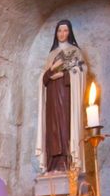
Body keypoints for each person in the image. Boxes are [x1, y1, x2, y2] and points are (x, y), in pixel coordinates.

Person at [35, 19, 86, 173]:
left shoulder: (75, 52)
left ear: (69, 32)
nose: (62, 34)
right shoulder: (52, 54)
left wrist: (65, 75)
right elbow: (43, 79)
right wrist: (50, 73)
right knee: (52, 129)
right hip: (51, 96)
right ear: (56, 33)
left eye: (65, 30)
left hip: (66, 95)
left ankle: (66, 161)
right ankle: (52, 163)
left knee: (64, 126)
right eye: (59, 31)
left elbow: (81, 71)